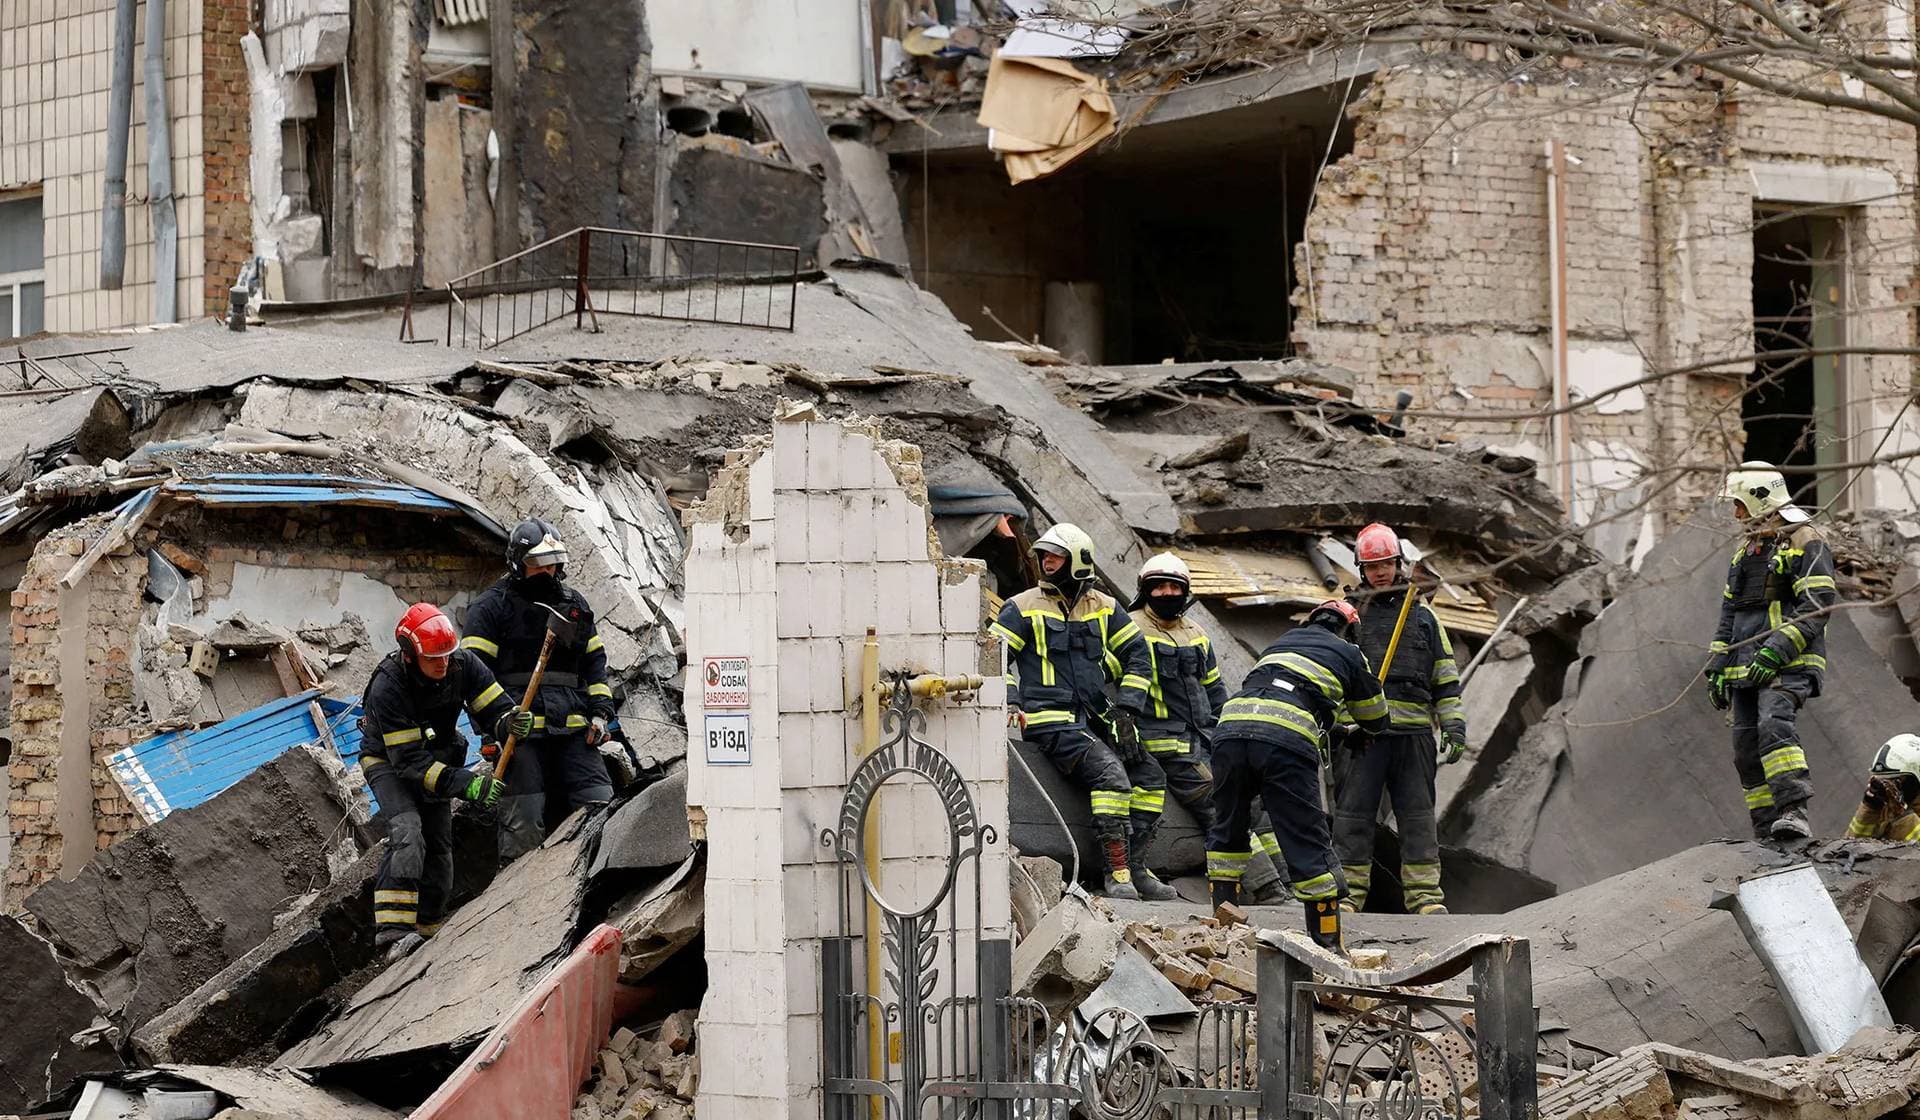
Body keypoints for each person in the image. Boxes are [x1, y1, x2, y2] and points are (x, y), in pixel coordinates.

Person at [992, 524, 1166, 899]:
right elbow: (992, 657)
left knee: (1150, 778)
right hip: (1050, 721)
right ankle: (1116, 873)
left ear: (1079, 562)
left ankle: (1138, 869)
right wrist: (1011, 699)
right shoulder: (1021, 606)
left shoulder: (1104, 606)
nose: (1046, 563)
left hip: (1097, 718)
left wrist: (1127, 711)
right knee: (1112, 776)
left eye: (1055, 557)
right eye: (1043, 557)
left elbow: (1137, 655)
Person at [1207, 599, 1389, 951]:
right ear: (1351, 629)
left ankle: (1221, 934)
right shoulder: (1349, 652)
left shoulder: (1281, 643)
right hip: (1284, 743)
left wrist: (1337, 730)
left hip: (1231, 731)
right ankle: (1327, 946)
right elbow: (1375, 716)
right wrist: (1365, 730)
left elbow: (1282, 697)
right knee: (1307, 841)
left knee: (1228, 832)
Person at [359, 603, 531, 959]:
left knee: (439, 845)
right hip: (389, 762)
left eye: (448, 657)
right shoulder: (388, 686)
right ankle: (393, 936)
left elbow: (494, 705)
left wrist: (508, 721)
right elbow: (408, 764)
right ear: (410, 656)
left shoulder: (462, 664)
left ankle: (428, 930)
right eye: (434, 659)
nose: (444, 665)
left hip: (435, 756)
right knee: (408, 833)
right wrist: (466, 784)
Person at [462, 518, 617, 866]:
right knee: (524, 824)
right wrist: (496, 726)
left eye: (553, 563)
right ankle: (521, 902)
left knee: (601, 805)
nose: (547, 571)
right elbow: (471, 676)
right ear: (518, 564)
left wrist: (599, 714)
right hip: (521, 734)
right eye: (538, 564)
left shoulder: (574, 604)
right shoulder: (490, 608)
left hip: (576, 731)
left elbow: (594, 664)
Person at [1333, 523, 1467, 915]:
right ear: (1360, 569)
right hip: (1362, 736)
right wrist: (1335, 726)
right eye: (1372, 566)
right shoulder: (1347, 618)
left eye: (1387, 564)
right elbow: (1330, 672)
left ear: (1399, 563)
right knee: (1353, 817)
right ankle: (1348, 896)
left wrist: (1454, 724)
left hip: (1413, 737)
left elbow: (1444, 675)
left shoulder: (1423, 618)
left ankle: (1425, 899)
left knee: (1418, 818)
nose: (1380, 572)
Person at [1705, 461, 1837, 841]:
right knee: (1745, 749)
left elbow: (1817, 604)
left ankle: (1794, 811)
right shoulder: (1746, 549)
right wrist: (1717, 665)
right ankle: (1766, 832)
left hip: (1788, 662)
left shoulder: (1805, 538)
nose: (1736, 514)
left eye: (1739, 504)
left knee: (1774, 728)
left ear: (1759, 499)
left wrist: (1775, 651)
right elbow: (1730, 611)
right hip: (1746, 666)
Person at [1129, 552, 1226, 873]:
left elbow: (1214, 690)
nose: (1168, 593)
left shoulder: (1197, 633)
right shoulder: (1132, 630)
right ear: (1145, 590)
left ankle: (1284, 883)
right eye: (1159, 587)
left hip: (1205, 740)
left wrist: (1225, 732)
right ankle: (1263, 888)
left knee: (1253, 800)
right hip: (1164, 743)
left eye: (1175, 587)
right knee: (1218, 803)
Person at [1847, 734, 1920, 842]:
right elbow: (1847, 851)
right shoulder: (1886, 808)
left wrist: (1902, 818)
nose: (1887, 787)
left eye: (1894, 781)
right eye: (1881, 780)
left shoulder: (1904, 816)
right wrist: (1870, 809)